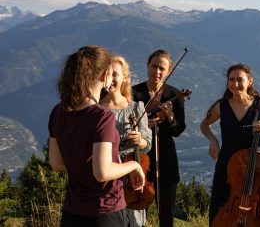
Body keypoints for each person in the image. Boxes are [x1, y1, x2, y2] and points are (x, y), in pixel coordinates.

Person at [48, 45, 145, 227]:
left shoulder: (58, 111)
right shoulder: (102, 116)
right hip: (105, 212)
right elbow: (102, 173)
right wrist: (133, 165)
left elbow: (56, 164)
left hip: (72, 211)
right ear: (104, 76)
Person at [200, 63, 260, 225]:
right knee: (219, 211)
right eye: (231, 79)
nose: (235, 84)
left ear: (249, 81)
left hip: (253, 168)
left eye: (240, 80)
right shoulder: (221, 106)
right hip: (226, 166)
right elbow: (204, 124)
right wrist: (213, 140)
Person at [132, 49, 186, 227]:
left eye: (162, 68)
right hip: (139, 157)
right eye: (154, 66)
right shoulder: (133, 93)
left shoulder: (174, 95)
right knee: (137, 212)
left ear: (169, 71)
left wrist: (170, 116)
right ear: (147, 67)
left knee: (166, 214)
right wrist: (143, 126)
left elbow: (178, 130)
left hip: (166, 157)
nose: (157, 71)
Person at [100, 55, 152, 227]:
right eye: (108, 74)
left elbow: (148, 143)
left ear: (124, 77)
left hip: (132, 175)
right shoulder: (97, 110)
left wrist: (141, 140)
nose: (111, 78)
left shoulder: (137, 107)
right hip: (108, 175)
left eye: (116, 74)